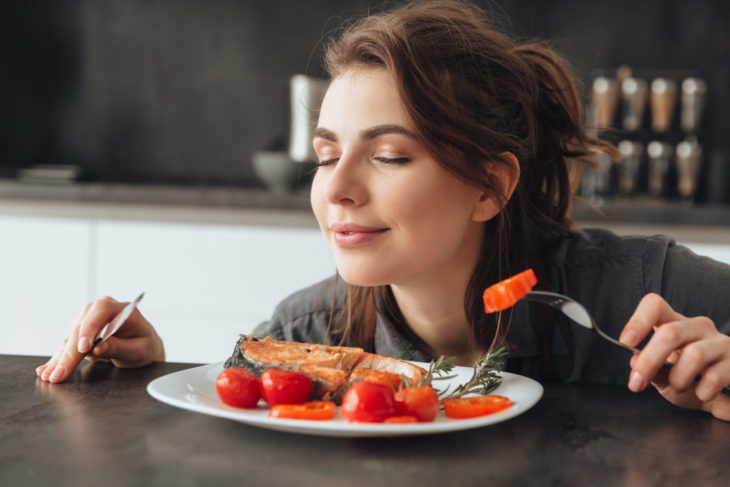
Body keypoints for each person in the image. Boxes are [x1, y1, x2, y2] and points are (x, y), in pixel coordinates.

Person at [36, 0, 730, 421]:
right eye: (325, 151)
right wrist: (143, 380)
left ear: (489, 185)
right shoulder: (303, 333)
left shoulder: (644, 287)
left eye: (389, 155)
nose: (335, 188)